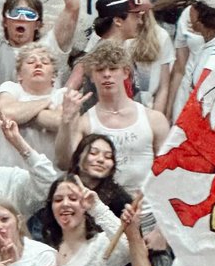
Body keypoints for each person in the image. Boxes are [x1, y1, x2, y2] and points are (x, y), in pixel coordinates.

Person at [57, 41, 169, 196]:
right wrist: (66, 121)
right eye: (100, 69)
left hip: (144, 203)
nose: (107, 74)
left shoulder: (154, 119)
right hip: (100, 203)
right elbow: (64, 163)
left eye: (113, 68)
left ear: (125, 72)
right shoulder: (85, 123)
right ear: (92, 76)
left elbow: (167, 169)